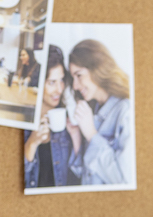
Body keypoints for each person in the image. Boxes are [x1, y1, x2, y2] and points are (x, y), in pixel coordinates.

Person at [68, 39, 132, 186]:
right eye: (73, 78)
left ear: (97, 69)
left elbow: (124, 180)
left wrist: (91, 135)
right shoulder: (92, 110)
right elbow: (85, 176)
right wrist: (77, 139)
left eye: (79, 75)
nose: (75, 85)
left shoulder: (126, 111)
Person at [23, 45, 81, 189]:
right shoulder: (22, 124)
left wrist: (77, 140)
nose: (60, 89)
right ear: (37, 84)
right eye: (52, 82)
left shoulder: (66, 121)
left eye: (61, 80)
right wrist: (31, 143)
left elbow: (76, 177)